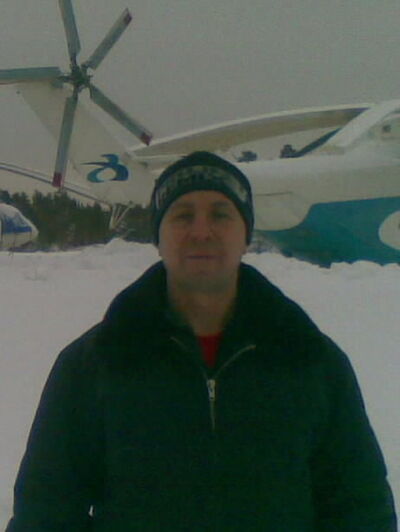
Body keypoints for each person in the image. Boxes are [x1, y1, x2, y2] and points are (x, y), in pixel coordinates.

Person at [7, 151, 397, 531]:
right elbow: (46, 512)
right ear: (158, 237)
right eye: (182, 215)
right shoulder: (96, 363)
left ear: (246, 235)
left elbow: (359, 509)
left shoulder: (310, 359)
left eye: (220, 214)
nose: (201, 231)